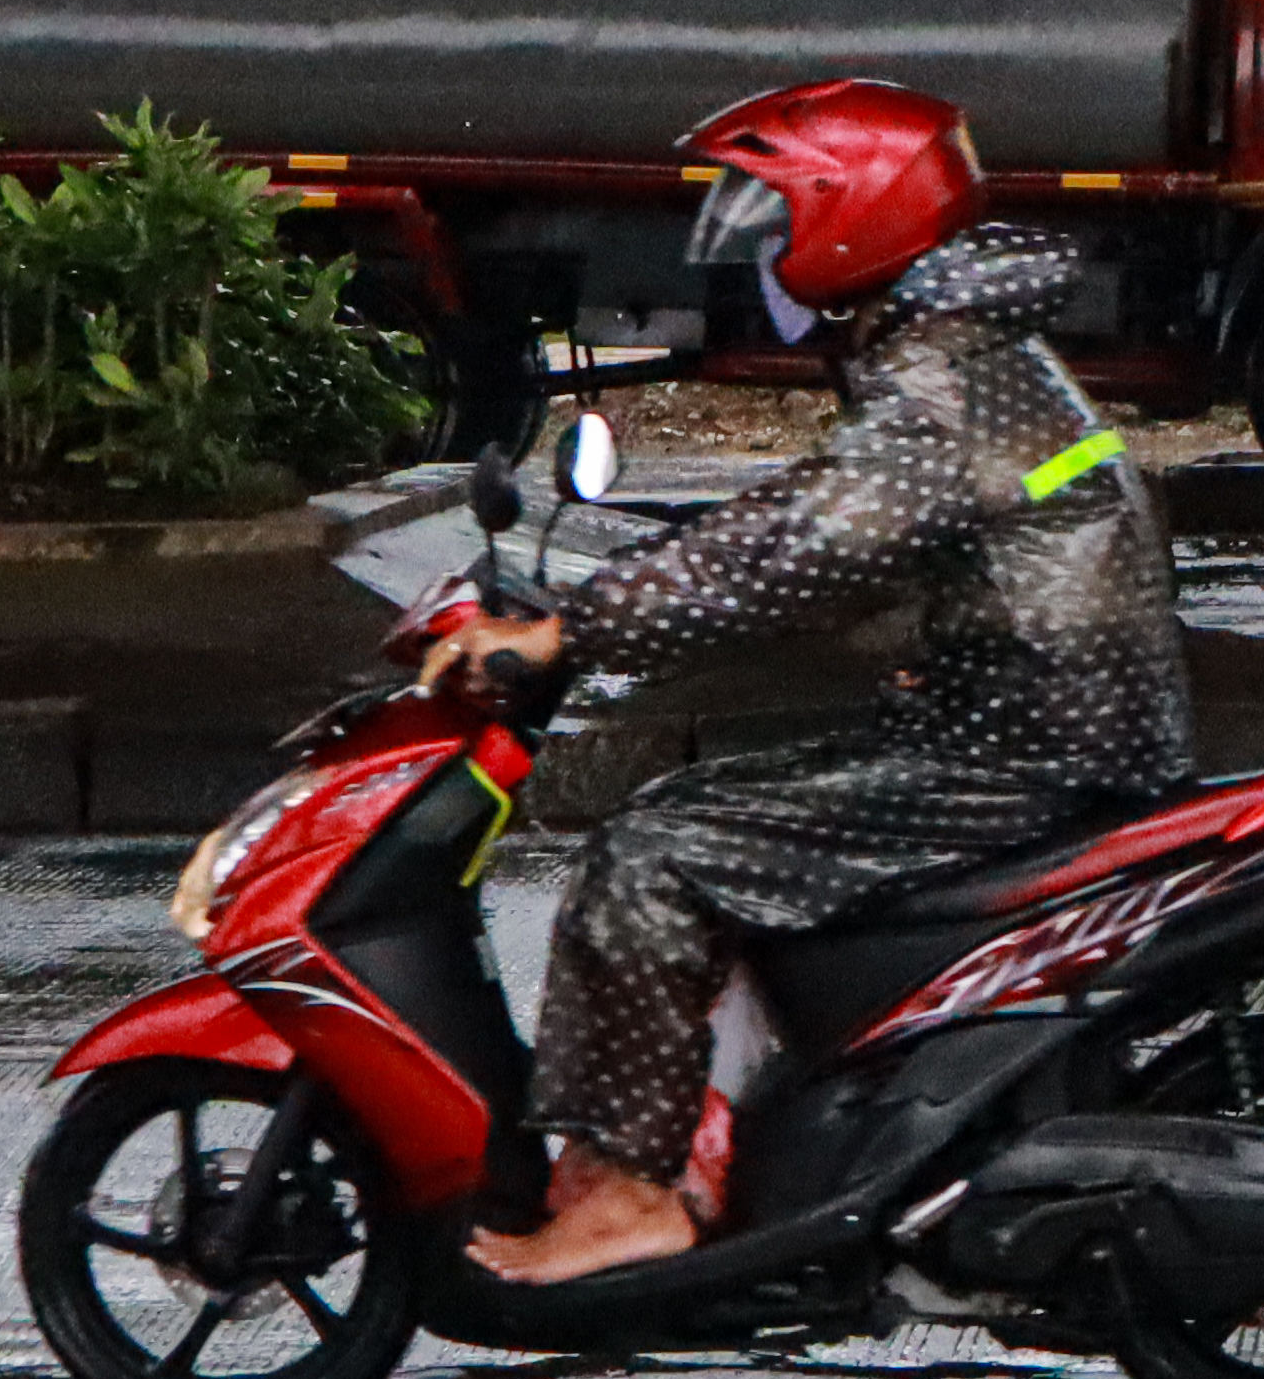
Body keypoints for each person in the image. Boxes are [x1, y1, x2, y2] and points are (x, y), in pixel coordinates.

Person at [435, 80, 1192, 1286]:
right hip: (1027, 721)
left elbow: (792, 550)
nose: (755, 244)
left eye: (773, 209)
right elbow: (841, 538)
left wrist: (575, 629)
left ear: (859, 216)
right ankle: (698, 1145)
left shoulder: (940, 375)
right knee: (704, 817)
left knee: (652, 854)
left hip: (1020, 753)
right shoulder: (958, 344)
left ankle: (633, 1194)